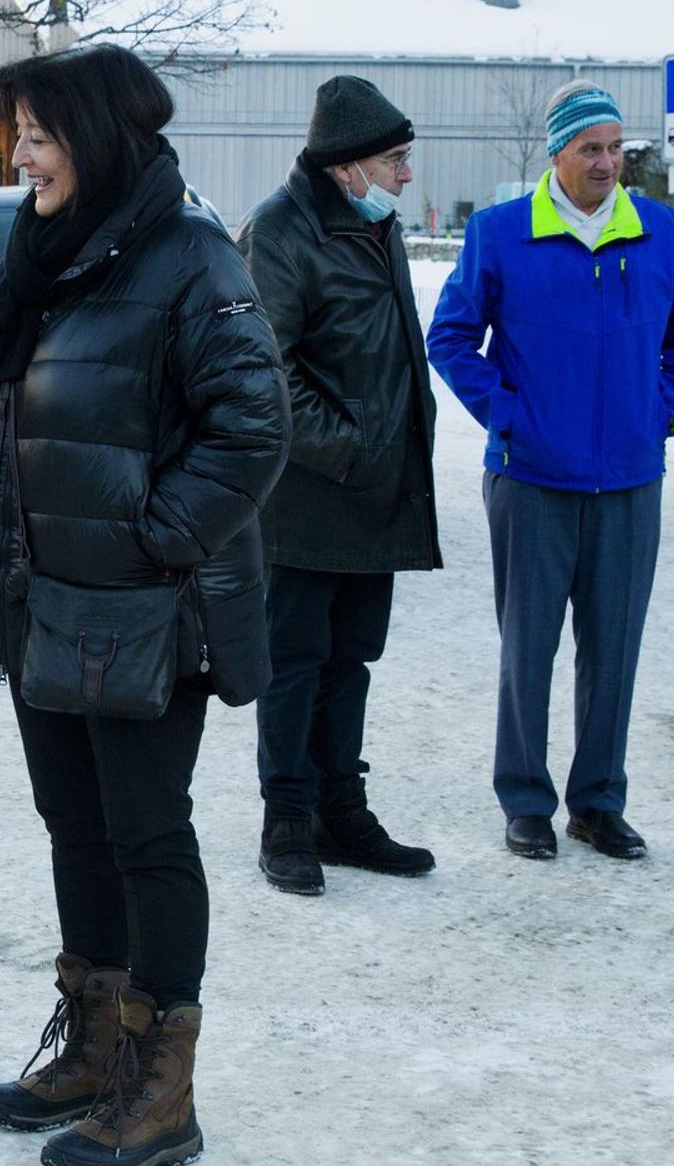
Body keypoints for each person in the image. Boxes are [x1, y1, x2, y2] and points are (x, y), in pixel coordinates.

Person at [0, 44, 288, 1166]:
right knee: (75, 825)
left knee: (145, 833)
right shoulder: (48, 251)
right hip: (43, 597)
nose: (20, 157)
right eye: (17, 134)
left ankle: (161, 1090)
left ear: (95, 142)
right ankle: (96, 1049)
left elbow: (253, 425)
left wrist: (156, 538)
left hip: (144, 609)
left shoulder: (189, 254)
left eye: (38, 137)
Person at [426, 79, 674, 862]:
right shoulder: (501, 234)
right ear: (557, 153)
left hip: (629, 480)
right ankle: (525, 801)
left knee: (613, 650)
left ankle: (598, 803)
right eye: (591, 148)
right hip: (530, 479)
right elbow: (450, 337)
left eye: (616, 148)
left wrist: (656, 410)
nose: (607, 163)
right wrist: (510, 416)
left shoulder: (658, 232)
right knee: (528, 649)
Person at [236, 76, 441, 897]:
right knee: (294, 662)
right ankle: (286, 817)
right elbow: (268, 372)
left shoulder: (372, 224)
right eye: (395, 161)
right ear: (347, 165)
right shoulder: (282, 231)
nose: (406, 176)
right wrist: (353, 449)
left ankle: (340, 811)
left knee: (351, 659)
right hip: (308, 494)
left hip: (372, 494)